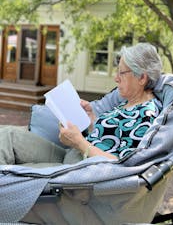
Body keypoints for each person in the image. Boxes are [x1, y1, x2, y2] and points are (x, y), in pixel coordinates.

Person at [0, 43, 163, 166]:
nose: (116, 78)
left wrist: (79, 142)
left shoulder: (146, 115)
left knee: (10, 160)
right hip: (70, 156)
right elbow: (108, 140)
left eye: (122, 72)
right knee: (7, 134)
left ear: (142, 78)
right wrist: (91, 122)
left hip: (74, 176)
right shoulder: (126, 104)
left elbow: (123, 165)